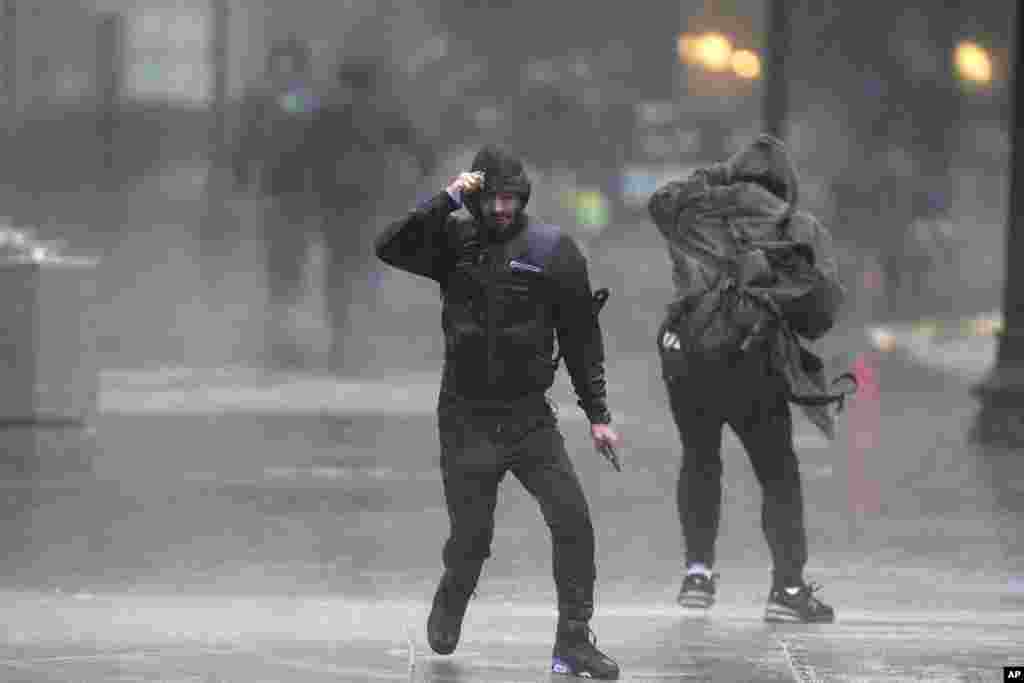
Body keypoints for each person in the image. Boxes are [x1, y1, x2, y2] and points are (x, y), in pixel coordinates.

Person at [375, 144, 621, 679]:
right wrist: (444, 200)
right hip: (465, 417)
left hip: (529, 418)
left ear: (523, 198)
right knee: (472, 539)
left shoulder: (554, 250)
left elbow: (581, 336)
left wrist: (597, 414)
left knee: (572, 521)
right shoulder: (453, 240)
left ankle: (573, 642)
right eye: (493, 198)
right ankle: (452, 596)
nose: (503, 208)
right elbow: (388, 247)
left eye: (512, 198)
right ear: (477, 197)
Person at [647, 134, 848, 624]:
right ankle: (788, 589)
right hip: (753, 361)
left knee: (699, 458)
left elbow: (659, 200)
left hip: (687, 357)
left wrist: (715, 177)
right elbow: (822, 311)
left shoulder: (694, 213)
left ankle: (697, 573)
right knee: (778, 474)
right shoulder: (799, 225)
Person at [309, 58, 435, 375]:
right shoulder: (383, 111)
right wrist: (424, 168)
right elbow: (416, 145)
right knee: (366, 264)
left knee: (338, 266)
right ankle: (361, 335)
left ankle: (340, 335)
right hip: (370, 198)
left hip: (334, 199)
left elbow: (306, 151)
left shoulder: (328, 111)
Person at [229, 36, 321, 369]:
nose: (284, 71)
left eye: (290, 64)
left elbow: (322, 143)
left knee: (294, 261)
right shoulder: (263, 101)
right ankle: (280, 333)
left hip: (305, 193)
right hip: (275, 192)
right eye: (279, 63)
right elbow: (245, 142)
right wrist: (241, 179)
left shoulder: (309, 101)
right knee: (278, 260)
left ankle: (288, 332)